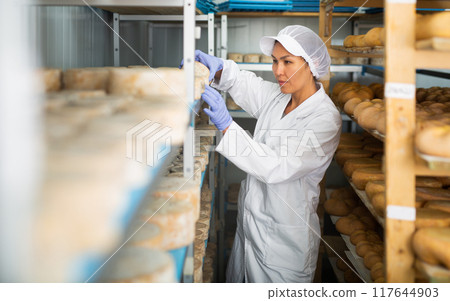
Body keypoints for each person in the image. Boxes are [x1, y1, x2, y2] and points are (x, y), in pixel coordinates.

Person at [196, 25, 341, 282]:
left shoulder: (324, 119)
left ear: (311, 65)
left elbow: (277, 166)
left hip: (283, 245)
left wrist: (228, 126)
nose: (278, 71)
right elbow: (246, 84)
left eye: (287, 62)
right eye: (274, 61)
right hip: (250, 231)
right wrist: (219, 68)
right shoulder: (280, 97)